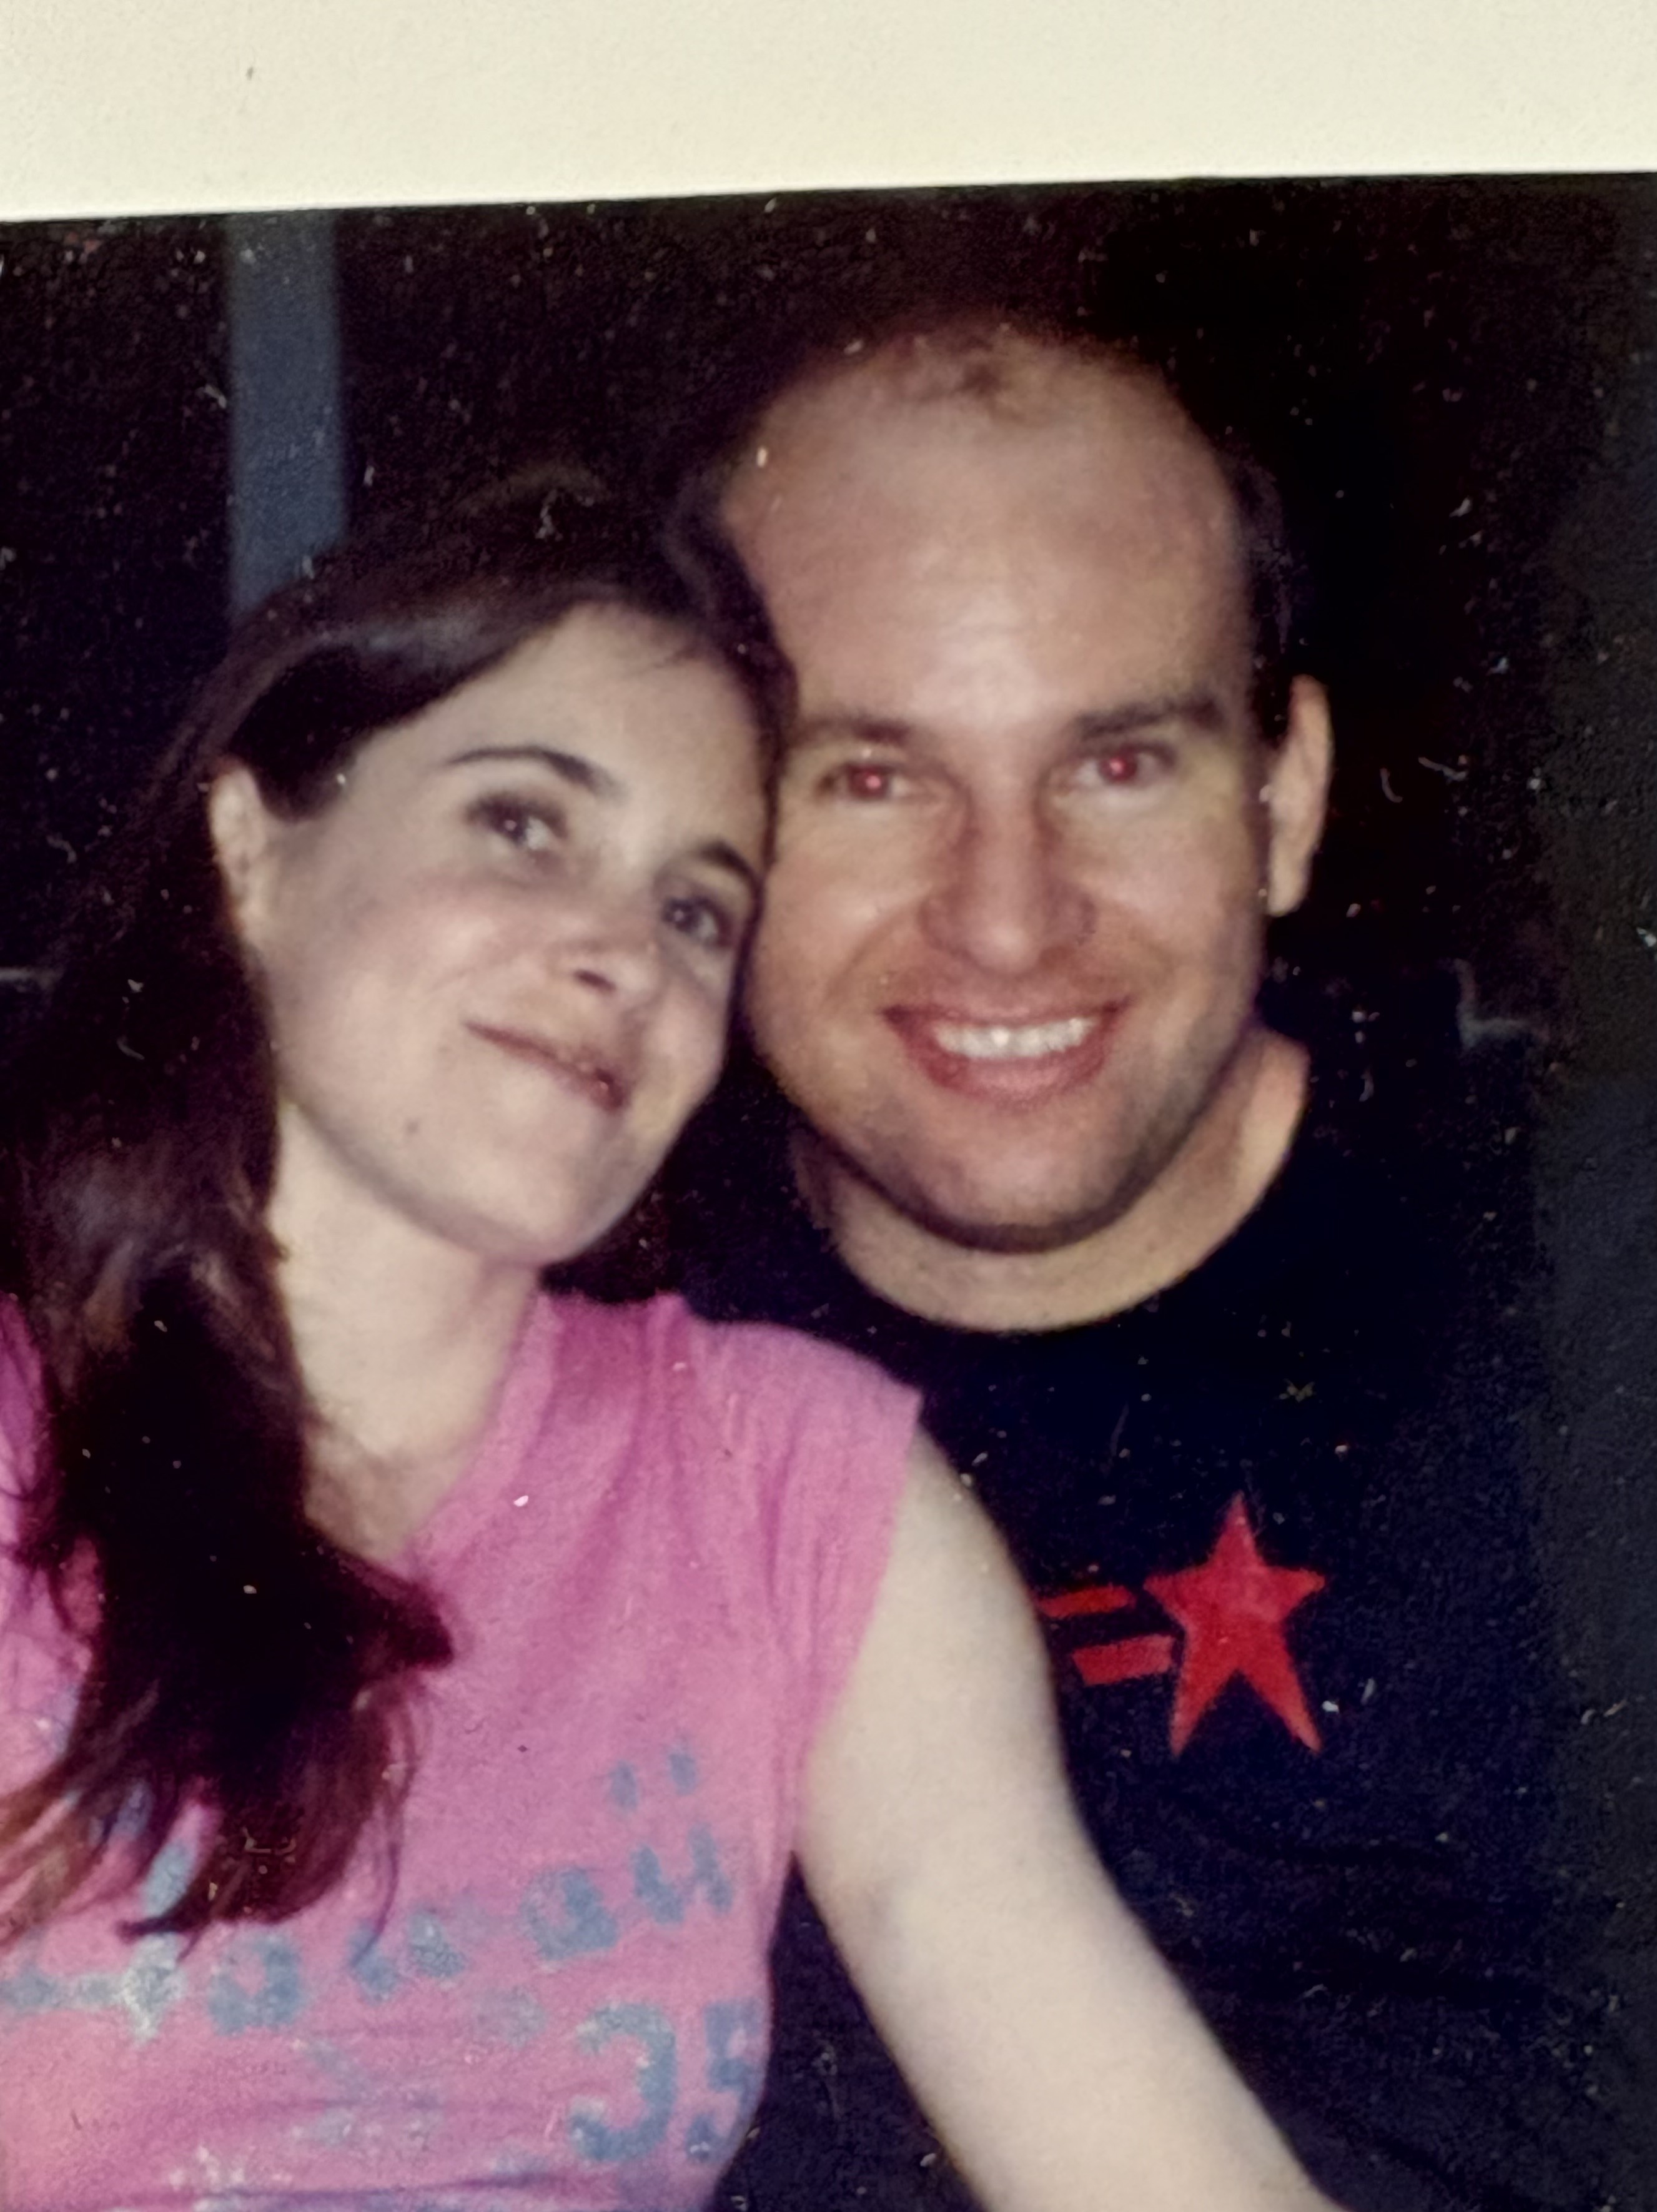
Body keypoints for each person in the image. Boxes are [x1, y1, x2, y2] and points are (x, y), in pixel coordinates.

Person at [0, 468, 1338, 2212]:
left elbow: (1140, 2156)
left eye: (694, 906)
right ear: (255, 852)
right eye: (522, 827)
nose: (618, 952)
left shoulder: (789, 1488)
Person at [671, 320, 1624, 2212]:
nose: (1006, 916)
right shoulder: (541, 1359)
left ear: (1281, 798)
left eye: (1114, 760)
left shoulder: (1603, 1301)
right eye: (867, 780)